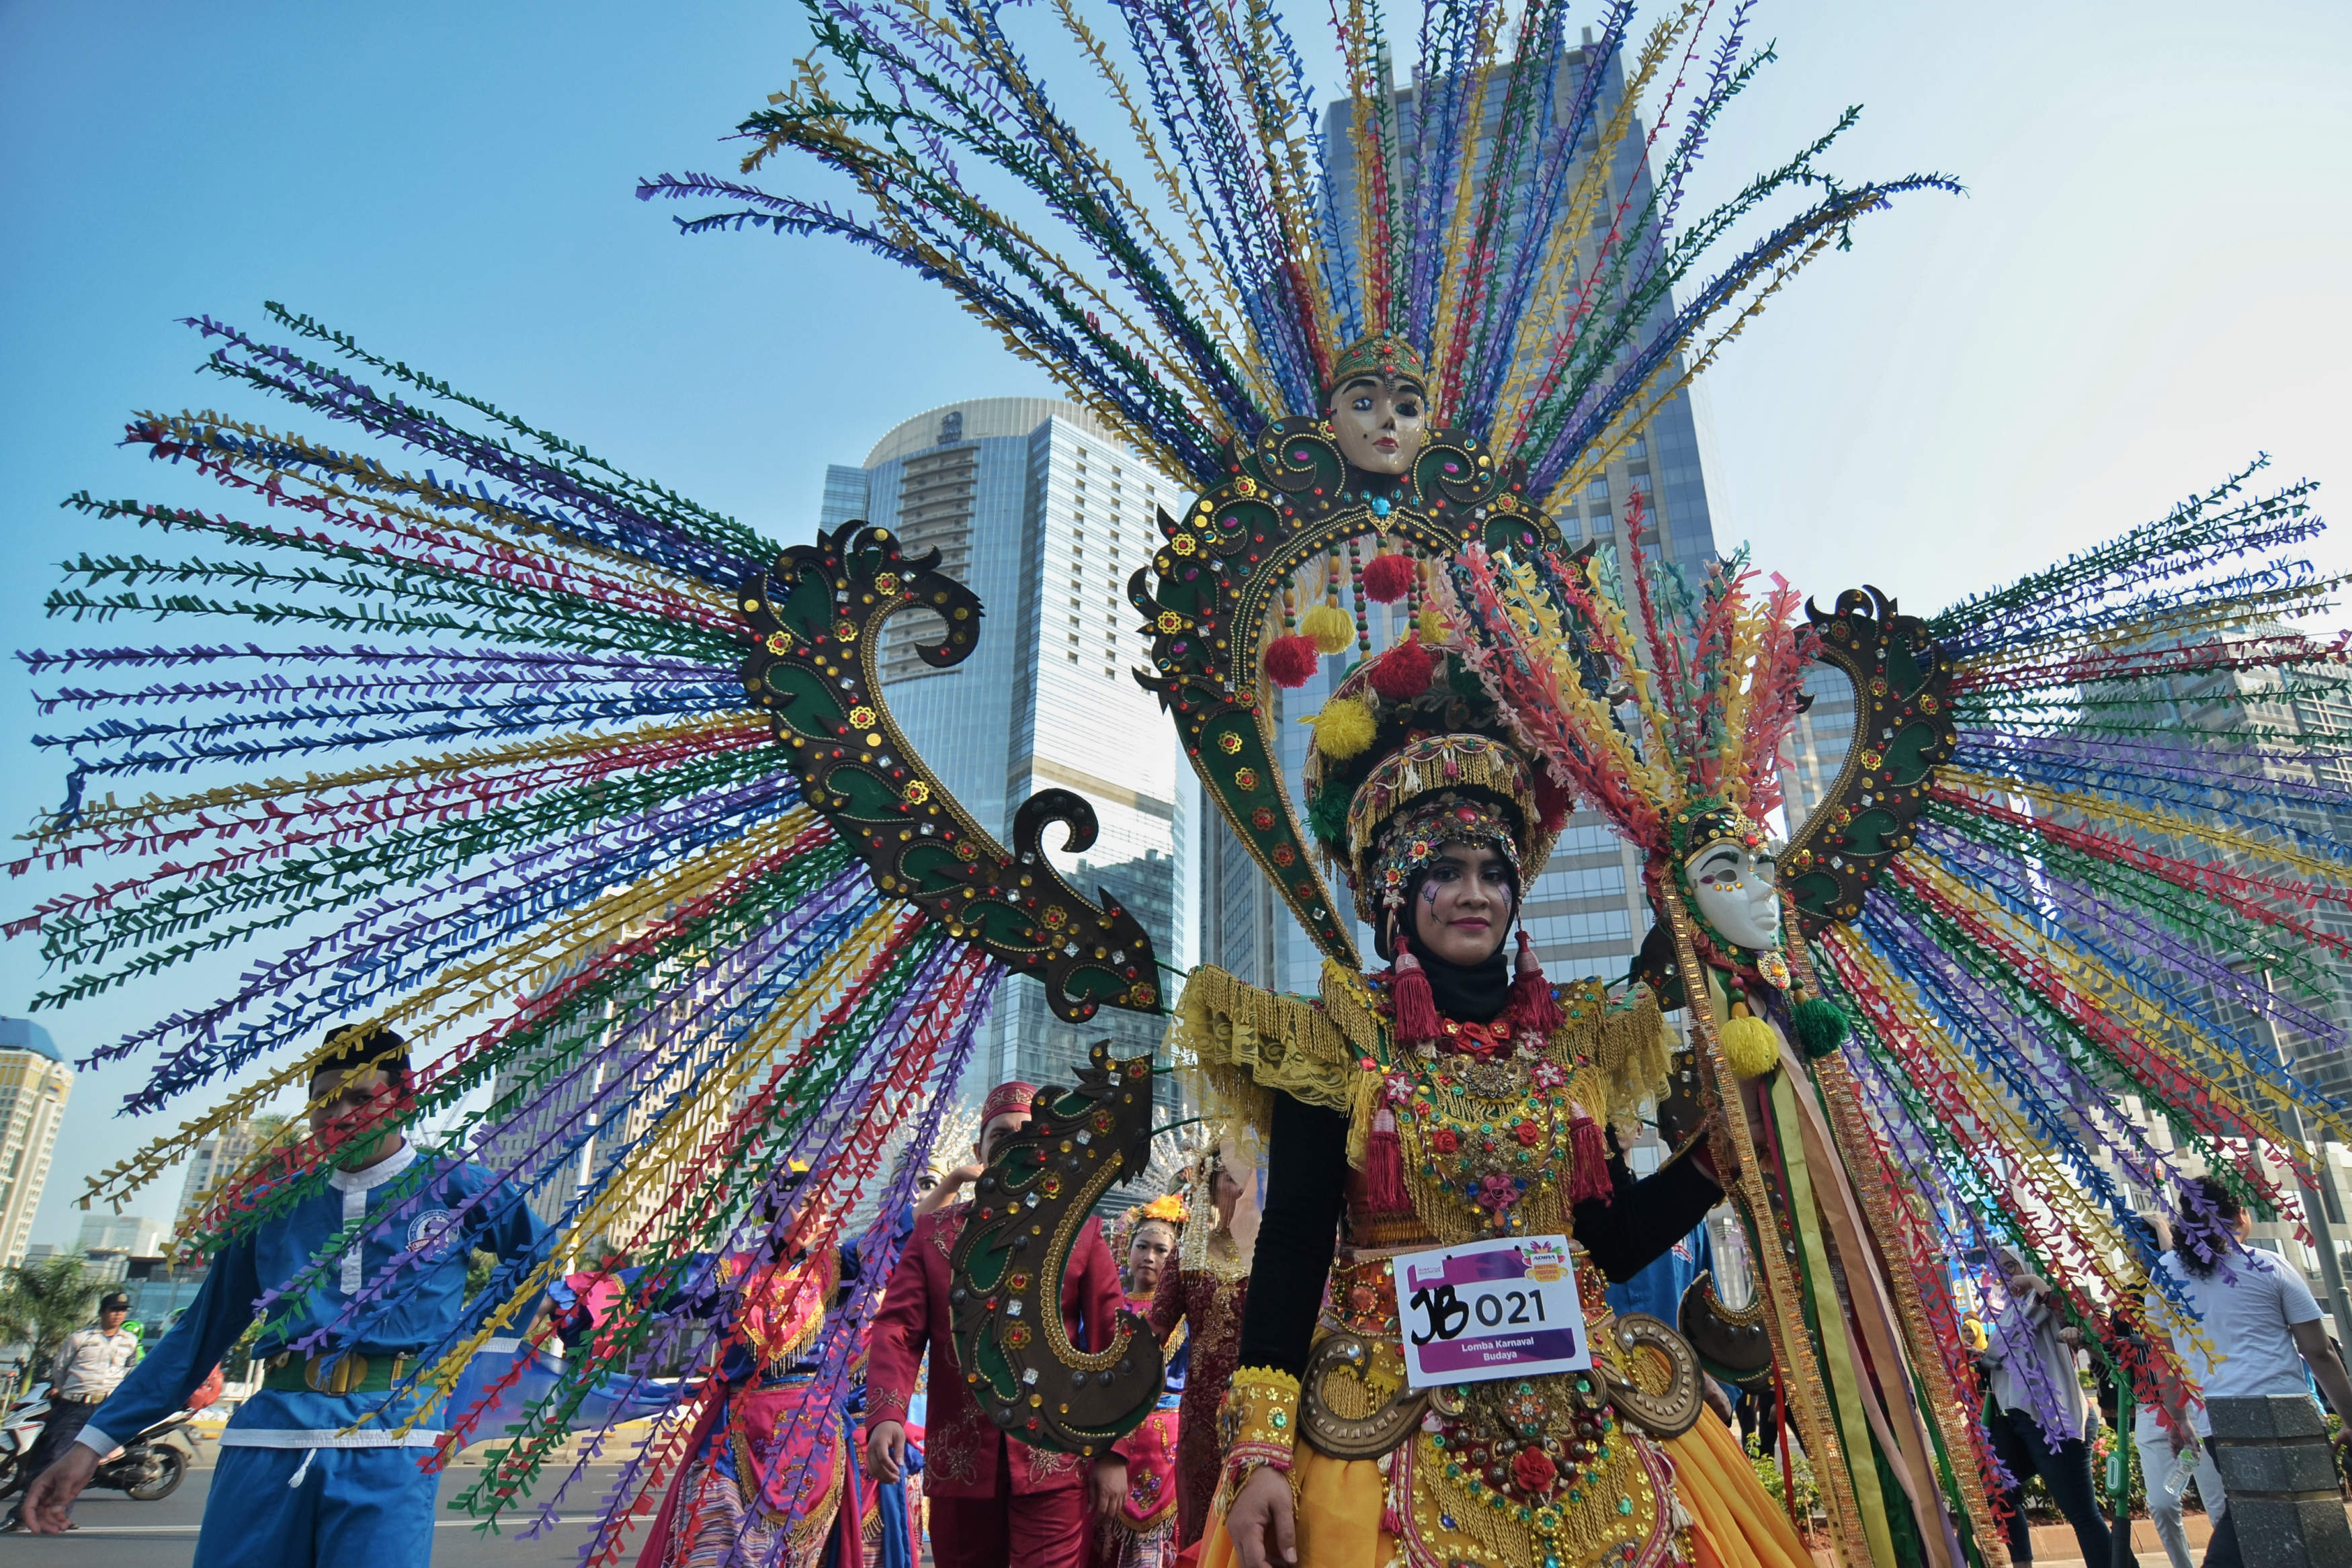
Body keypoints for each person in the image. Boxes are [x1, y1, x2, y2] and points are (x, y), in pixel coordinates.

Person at [1178, 625, 1810, 1568]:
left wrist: (1719, 1159)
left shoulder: (1575, 1037)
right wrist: (1264, 1443)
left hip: (1592, 1414)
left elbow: (1605, 1237)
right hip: (1390, 1421)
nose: (1473, 895)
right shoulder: (1332, 1039)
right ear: (1396, 892)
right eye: (1443, 871)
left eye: (1492, 874)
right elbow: (1299, 1236)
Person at [17, 1022, 551, 1565]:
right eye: (322, 1101)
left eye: (360, 1097)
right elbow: (197, 1337)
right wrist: (91, 1446)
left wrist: (469, 1344)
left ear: (403, 1098)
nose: (337, 1115)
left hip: (393, 1442)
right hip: (266, 1440)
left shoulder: (459, 1185)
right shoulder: (271, 1206)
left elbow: (536, 1258)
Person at [865, 1080, 1129, 1568]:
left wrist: (1114, 1450)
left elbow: (1114, 1341)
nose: (1015, 1142)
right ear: (980, 1150)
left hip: (1055, 1459)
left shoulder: (1082, 1230)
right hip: (961, 1462)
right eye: (1001, 1134)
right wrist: (886, 1414)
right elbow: (897, 1330)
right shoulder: (933, 1235)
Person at [2150, 1176, 2352, 1568]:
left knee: (2253, 1511)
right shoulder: (2269, 1265)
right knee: (2296, 1514)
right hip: (2285, 1410)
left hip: (2218, 1418)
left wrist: (2179, 1421)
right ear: (2239, 1215)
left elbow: (2165, 1356)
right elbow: (2318, 1350)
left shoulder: (2165, 1272)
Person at [1974, 1246, 2126, 1567]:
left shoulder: (2045, 1301)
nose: (2007, 1275)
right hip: (2017, 1419)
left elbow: (2076, 1320)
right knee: (2001, 1491)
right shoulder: (2010, 1310)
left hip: (2057, 1422)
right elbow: (1998, 1359)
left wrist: (2035, 1281)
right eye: (2000, 1268)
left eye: (2012, 1267)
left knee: (2082, 1513)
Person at [1144, 1142, 1255, 1549]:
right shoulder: (1189, 1253)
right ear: (1209, 1184)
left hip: (1267, 1407)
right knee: (1201, 1528)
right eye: (1232, 1178)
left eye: (1251, 1178)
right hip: (1202, 1417)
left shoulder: (1279, 1255)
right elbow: (1152, 1333)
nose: (1244, 1189)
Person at [1100, 1194, 1189, 1568]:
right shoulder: (1109, 1308)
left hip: (1167, 1446)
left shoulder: (1185, 1315)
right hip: (1110, 1433)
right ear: (1128, 1249)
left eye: (1161, 1250)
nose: (1149, 1257)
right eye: (1142, 1246)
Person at [1, 1289, 139, 1528]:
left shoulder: (129, 1341)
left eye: (123, 1311)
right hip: (75, 1406)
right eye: (114, 1310)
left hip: (105, 1407)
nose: (118, 1315)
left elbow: (129, 1370)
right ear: (102, 1312)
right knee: (53, 1459)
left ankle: (59, 1515)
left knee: (85, 1466)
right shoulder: (80, 1338)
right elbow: (60, 1370)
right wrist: (68, 1393)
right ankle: (22, 1513)